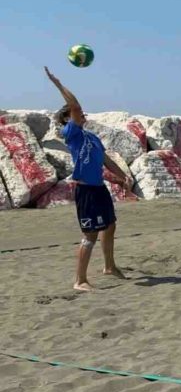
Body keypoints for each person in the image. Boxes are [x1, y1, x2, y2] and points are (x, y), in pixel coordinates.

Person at [45, 66, 133, 291]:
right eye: (77, 113)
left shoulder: (92, 137)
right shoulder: (71, 133)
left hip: (99, 188)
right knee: (90, 235)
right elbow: (74, 106)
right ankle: (80, 281)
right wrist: (57, 83)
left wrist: (122, 176)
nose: (83, 114)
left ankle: (109, 267)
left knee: (110, 225)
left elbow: (105, 160)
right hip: (85, 190)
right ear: (68, 118)